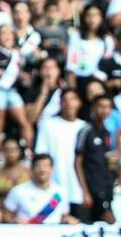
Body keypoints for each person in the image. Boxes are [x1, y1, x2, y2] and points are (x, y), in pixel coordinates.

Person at [34, 88, 88, 220]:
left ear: (79, 103)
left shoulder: (85, 127)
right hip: (52, 191)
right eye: (65, 100)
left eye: (73, 99)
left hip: (78, 191)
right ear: (60, 103)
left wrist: (86, 191)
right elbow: (41, 155)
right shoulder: (48, 124)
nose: (69, 103)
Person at [0, 24, 33, 150]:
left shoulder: (15, 53)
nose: (7, 35)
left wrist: (22, 76)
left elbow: (15, 70)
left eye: (10, 32)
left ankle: (30, 150)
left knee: (23, 121)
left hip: (11, 90)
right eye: (3, 33)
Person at [3, 154, 79, 225]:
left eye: (46, 166)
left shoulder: (61, 192)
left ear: (51, 169)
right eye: (38, 166)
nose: (42, 169)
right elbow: (5, 216)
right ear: (32, 169)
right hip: (26, 234)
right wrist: (15, 221)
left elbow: (63, 216)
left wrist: (68, 219)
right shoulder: (17, 191)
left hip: (53, 236)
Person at [75, 94, 115, 223]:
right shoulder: (86, 130)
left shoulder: (106, 132)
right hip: (92, 187)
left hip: (107, 187)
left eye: (108, 107)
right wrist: (84, 191)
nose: (104, 110)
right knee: (109, 220)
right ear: (93, 108)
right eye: (101, 106)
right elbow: (77, 163)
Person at [65, 4, 113, 92]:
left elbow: (107, 64)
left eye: (96, 15)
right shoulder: (76, 37)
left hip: (99, 83)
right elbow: (71, 66)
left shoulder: (107, 40)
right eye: (89, 15)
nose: (92, 19)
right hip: (80, 81)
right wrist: (73, 90)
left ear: (101, 18)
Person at [0, 138, 30, 203]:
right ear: (2, 152)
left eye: (14, 149)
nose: (11, 152)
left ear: (19, 151)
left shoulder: (28, 171)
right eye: (7, 150)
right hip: (2, 210)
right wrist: (1, 192)